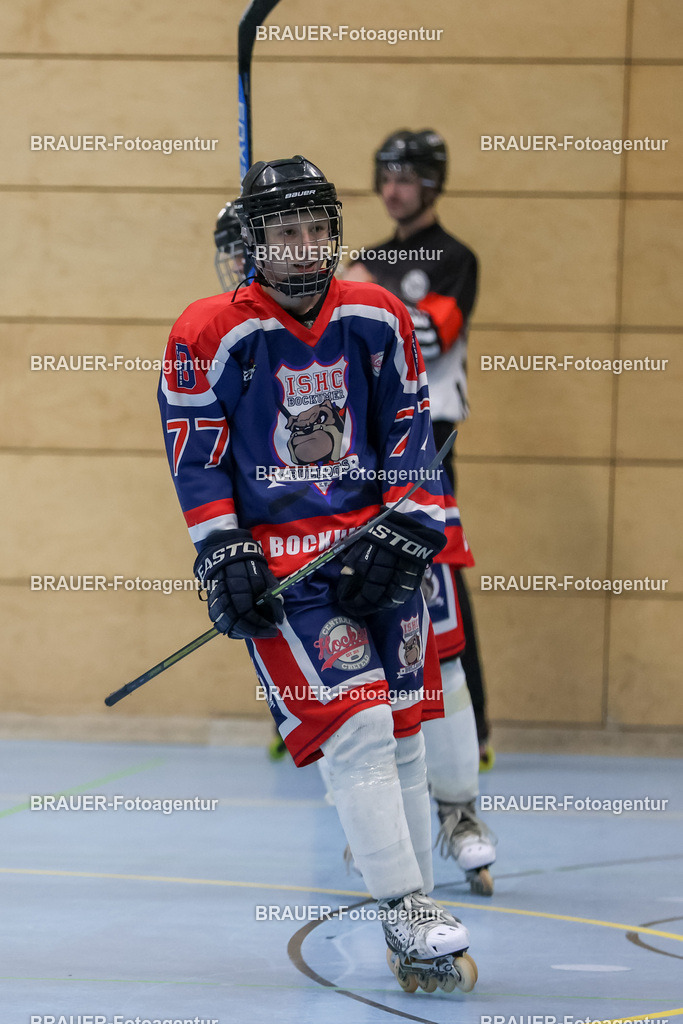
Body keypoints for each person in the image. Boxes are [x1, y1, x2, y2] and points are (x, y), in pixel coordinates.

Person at [161, 155, 478, 994]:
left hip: (373, 550)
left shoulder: (375, 314)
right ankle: (406, 905)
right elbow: (200, 460)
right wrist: (222, 549)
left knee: (404, 732)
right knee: (363, 732)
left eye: (314, 229)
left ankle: (412, 914)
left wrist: (411, 527)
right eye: (284, 231)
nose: (303, 248)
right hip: (286, 574)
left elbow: (409, 430)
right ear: (255, 241)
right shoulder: (207, 331)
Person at [211, 196, 497, 897]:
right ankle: (384, 848)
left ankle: (458, 814)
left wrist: (406, 515)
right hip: (312, 529)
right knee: (358, 708)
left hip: (403, 492)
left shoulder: (367, 299)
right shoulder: (238, 335)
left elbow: (418, 359)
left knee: (442, 652)